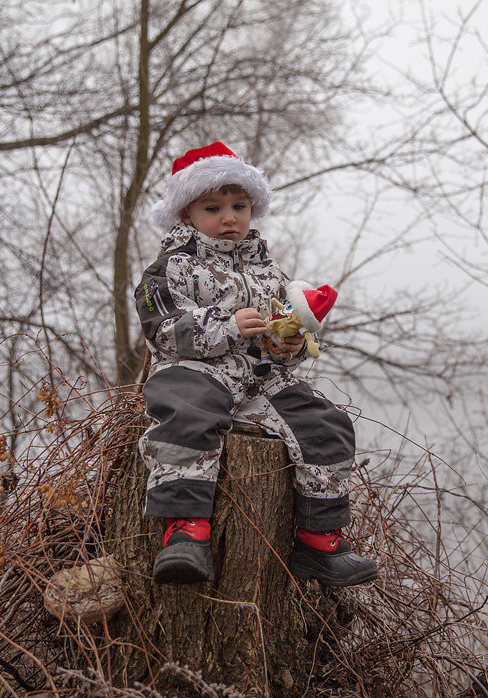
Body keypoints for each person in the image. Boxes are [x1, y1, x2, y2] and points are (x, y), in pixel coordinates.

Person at [134, 141, 378, 587]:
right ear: (186, 213)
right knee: (187, 417)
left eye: (239, 206)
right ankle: (184, 532)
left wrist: (290, 344)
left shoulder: (269, 270)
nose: (229, 218)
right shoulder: (170, 268)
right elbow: (163, 328)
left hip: (260, 380)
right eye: (214, 207)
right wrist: (227, 326)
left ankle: (319, 540)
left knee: (327, 423)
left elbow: (290, 323)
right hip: (193, 373)